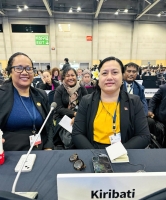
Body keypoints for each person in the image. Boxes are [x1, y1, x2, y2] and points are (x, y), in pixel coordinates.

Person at [72, 56, 150, 149]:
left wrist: (118, 152)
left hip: (124, 151)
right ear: (99, 77)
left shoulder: (134, 101)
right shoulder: (86, 101)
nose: (109, 77)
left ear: (122, 76)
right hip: (93, 151)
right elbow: (77, 133)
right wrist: (95, 155)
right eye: (104, 73)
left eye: (115, 72)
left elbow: (144, 136)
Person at [0, 52, 54, 151]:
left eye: (29, 68)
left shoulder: (41, 95)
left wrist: (48, 146)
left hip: (40, 151)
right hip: (9, 154)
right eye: (19, 68)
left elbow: (49, 124)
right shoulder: (2, 95)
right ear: (10, 72)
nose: (25, 72)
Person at [53, 67, 88, 148]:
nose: (71, 78)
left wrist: (78, 116)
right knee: (69, 140)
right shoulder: (59, 89)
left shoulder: (82, 89)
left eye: (73, 75)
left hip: (80, 117)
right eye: (68, 76)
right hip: (62, 117)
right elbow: (59, 109)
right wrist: (75, 114)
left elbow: (87, 106)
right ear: (63, 78)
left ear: (76, 76)